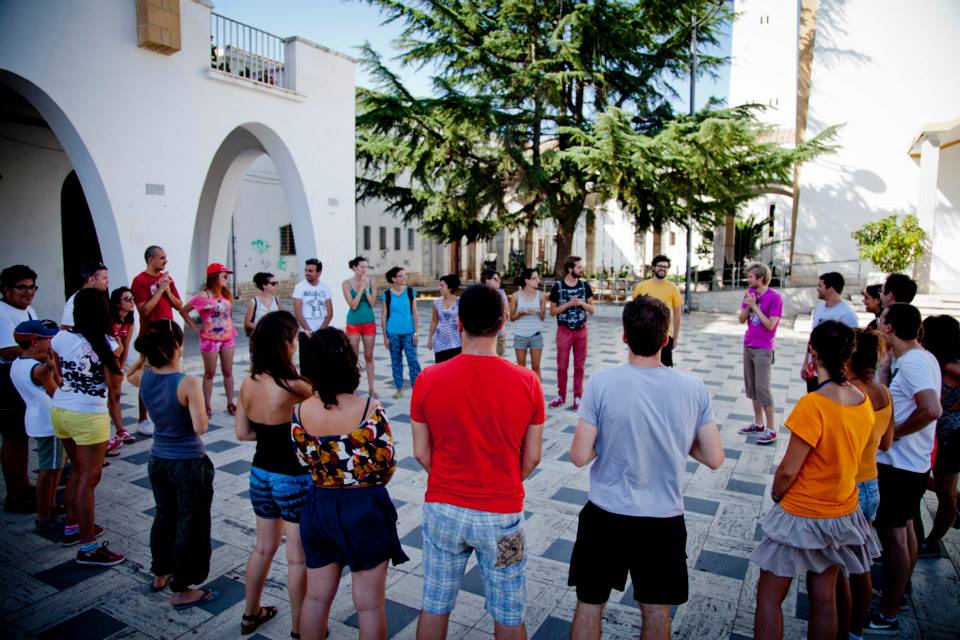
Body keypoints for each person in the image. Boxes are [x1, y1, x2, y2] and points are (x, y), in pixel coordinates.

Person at [568, 296, 723, 640]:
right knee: (656, 609)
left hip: (606, 512)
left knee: (590, 602)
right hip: (663, 519)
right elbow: (714, 457)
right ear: (666, 339)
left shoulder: (601, 383)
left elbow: (579, 455)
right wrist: (676, 438)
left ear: (624, 337)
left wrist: (609, 437)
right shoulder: (693, 388)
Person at [411, 285, 544, 639]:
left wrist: (447, 477)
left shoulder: (428, 379)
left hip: (443, 510)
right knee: (509, 610)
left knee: (435, 603)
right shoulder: (528, 382)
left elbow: (422, 453)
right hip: (503, 517)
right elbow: (532, 456)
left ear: (459, 325)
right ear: (503, 324)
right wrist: (503, 480)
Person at [751, 320, 879, 640]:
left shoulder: (813, 405)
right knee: (823, 599)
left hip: (802, 512)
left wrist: (778, 493)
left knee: (768, 595)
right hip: (841, 511)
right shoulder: (863, 401)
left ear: (813, 351)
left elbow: (789, 470)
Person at [292, 327, 408, 640]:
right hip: (364, 505)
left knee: (316, 597)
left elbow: (304, 460)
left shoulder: (300, 411)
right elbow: (386, 465)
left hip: (319, 506)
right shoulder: (370, 409)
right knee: (369, 606)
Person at [235, 311, 312, 637]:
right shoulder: (295, 385)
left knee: (263, 548)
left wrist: (269, 434)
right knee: (297, 558)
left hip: (260, 473)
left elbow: (242, 433)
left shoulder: (248, 382)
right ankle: (298, 629)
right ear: (286, 343)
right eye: (294, 338)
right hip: (292, 476)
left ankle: (250, 614)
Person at [868, 303, 942, 634]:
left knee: (894, 537)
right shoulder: (917, 358)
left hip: (900, 465)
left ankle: (887, 612)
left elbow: (931, 408)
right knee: (906, 531)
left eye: (882, 322)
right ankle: (898, 595)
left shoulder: (913, 363)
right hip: (909, 462)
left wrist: (895, 432)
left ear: (890, 328)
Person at [136, 320, 219, 608]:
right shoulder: (187, 382)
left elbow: (131, 374)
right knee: (190, 522)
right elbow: (201, 426)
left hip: (158, 458)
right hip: (186, 462)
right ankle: (182, 586)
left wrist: (144, 357)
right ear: (175, 346)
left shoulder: (145, 376)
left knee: (164, 515)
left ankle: (160, 572)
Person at [51, 288, 125, 566]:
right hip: (89, 415)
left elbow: (55, 367)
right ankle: (88, 547)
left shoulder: (60, 337)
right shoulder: (107, 343)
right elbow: (114, 387)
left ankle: (72, 527)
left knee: (76, 473)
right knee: (88, 479)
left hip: (61, 409)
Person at [839, 329, 894, 639]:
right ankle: (857, 630)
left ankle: (842, 630)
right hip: (872, 484)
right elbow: (886, 443)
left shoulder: (849, 394)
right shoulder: (883, 393)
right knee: (860, 563)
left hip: (849, 486)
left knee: (839, 572)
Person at [9, 320, 63, 531]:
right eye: (46, 338)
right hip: (49, 422)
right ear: (33, 341)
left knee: (50, 467)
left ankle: (49, 506)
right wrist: (54, 370)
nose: (50, 341)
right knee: (49, 470)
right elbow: (57, 392)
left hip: (34, 418)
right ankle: (44, 514)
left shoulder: (17, 364)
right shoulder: (39, 369)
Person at [917, 315, 960, 557]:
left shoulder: (948, 365)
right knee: (932, 482)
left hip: (952, 436)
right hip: (941, 434)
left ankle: (933, 541)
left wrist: (956, 407)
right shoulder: (937, 361)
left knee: (946, 494)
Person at [131, 246, 183, 436]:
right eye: (162, 258)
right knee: (148, 376)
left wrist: (167, 290)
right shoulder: (140, 281)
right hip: (150, 336)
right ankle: (142, 418)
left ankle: (168, 413)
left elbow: (179, 305)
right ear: (151, 259)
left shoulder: (166, 280)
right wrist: (160, 290)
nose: (165, 261)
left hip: (169, 334)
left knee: (171, 374)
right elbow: (144, 310)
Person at [0, 264, 39, 513]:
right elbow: (6, 350)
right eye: (22, 288)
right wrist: (36, 348)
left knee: (22, 437)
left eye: (32, 287)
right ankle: (14, 495)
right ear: (6, 289)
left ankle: (24, 485)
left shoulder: (28, 309)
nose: (28, 293)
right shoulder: (2, 314)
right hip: (5, 381)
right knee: (13, 438)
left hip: (23, 378)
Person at [180, 263, 238, 417]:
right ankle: (206, 405)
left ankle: (230, 403)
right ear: (214, 277)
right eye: (223, 275)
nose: (227, 278)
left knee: (228, 371)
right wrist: (195, 326)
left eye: (227, 276)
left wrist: (230, 327)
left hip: (228, 338)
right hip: (209, 339)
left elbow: (228, 314)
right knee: (210, 373)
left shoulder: (225, 294)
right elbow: (184, 310)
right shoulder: (203, 296)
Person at [737, 262, 783, 445]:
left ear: (760, 278)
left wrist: (755, 306)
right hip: (748, 345)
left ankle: (771, 429)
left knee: (763, 388)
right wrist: (749, 305)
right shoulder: (749, 295)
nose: (747, 279)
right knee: (752, 387)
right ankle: (758, 423)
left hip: (764, 348)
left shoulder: (775, 298)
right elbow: (741, 319)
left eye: (750, 277)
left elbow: (771, 325)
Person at [548, 256, 595, 410]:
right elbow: (552, 311)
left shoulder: (585, 286)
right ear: (570, 269)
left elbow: (592, 309)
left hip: (581, 330)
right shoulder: (558, 287)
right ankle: (561, 395)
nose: (581, 269)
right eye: (579, 267)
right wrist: (568, 304)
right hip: (564, 331)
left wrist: (581, 303)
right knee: (562, 365)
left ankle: (578, 397)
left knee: (579, 366)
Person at [800, 272, 859, 392]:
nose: (817, 289)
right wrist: (806, 362)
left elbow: (851, 346)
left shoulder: (847, 314)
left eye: (820, 286)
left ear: (830, 289)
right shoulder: (819, 308)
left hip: (833, 374)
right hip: (815, 370)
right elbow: (812, 337)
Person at [630, 255, 683, 366]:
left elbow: (677, 315)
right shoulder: (641, 286)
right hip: (643, 333)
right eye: (660, 266)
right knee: (641, 367)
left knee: (666, 369)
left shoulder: (673, 288)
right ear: (653, 267)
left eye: (666, 267)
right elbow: (633, 311)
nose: (663, 269)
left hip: (665, 335)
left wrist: (675, 338)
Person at [380, 266, 420, 399]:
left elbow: (414, 313)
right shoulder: (386, 295)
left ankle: (417, 389)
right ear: (393, 279)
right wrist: (385, 337)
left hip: (409, 333)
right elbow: (383, 316)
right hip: (393, 333)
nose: (405, 277)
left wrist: (416, 332)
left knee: (413, 361)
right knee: (396, 361)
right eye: (401, 275)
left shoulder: (410, 292)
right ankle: (399, 388)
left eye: (405, 275)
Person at [105, 287, 137, 453]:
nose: (132, 302)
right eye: (127, 299)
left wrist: (122, 368)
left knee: (115, 395)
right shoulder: (109, 321)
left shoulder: (129, 321)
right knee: (109, 396)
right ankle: (111, 434)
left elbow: (125, 346)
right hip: (105, 363)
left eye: (132, 298)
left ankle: (120, 430)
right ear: (117, 304)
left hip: (117, 362)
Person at [341, 257, 378, 397]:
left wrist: (366, 290)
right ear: (354, 268)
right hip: (353, 322)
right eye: (362, 267)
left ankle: (371, 388)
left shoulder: (372, 281)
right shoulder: (346, 284)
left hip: (369, 322)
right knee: (353, 357)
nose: (364, 270)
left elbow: (373, 304)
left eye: (366, 267)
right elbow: (353, 305)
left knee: (369, 356)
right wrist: (361, 288)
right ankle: (353, 387)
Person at [292, 259, 333, 369]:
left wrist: (321, 331)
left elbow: (329, 313)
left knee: (322, 363)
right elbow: (297, 311)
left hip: (322, 332)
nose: (307, 273)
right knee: (306, 365)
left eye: (310, 271)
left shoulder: (325, 287)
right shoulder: (299, 287)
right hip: (305, 332)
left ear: (318, 273)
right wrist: (307, 330)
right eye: (306, 270)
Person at [509, 268, 545, 379]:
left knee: (536, 367)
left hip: (536, 335)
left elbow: (543, 318)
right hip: (520, 336)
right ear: (527, 281)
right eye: (535, 278)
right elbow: (512, 318)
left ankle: (537, 395)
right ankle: (523, 394)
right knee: (521, 368)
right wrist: (521, 313)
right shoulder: (516, 296)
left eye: (538, 278)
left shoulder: (541, 295)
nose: (538, 280)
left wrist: (539, 311)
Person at [60, 261, 109, 329]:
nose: (107, 281)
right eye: (104, 278)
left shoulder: (97, 299)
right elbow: (65, 327)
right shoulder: (76, 299)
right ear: (92, 279)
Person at [427, 274, 461, 363]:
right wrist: (430, 338)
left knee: (455, 370)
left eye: (442, 286)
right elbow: (434, 321)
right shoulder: (436, 302)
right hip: (439, 342)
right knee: (440, 369)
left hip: (456, 342)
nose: (440, 288)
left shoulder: (460, 302)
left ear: (449, 287)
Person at [480, 269, 510, 356]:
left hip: (498, 336)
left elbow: (507, 315)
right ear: (487, 280)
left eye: (499, 279)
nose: (498, 281)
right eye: (495, 279)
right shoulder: (479, 293)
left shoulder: (501, 293)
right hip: (481, 336)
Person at [243, 272, 282, 337]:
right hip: (259, 337)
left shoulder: (276, 300)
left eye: (276, 283)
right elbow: (247, 323)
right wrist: (262, 328)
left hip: (275, 337)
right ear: (264, 286)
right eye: (273, 284)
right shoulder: (254, 302)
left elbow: (281, 318)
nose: (275, 285)